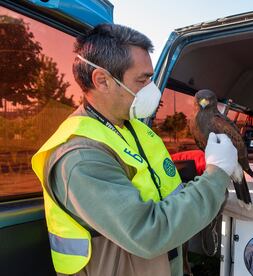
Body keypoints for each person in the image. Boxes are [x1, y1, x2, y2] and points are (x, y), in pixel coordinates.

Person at [31, 24, 238, 276]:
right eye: (143, 79)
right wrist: (216, 174)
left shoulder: (135, 129)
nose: (153, 89)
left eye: (151, 78)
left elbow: (164, 193)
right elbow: (149, 233)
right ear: (102, 81)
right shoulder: (79, 157)